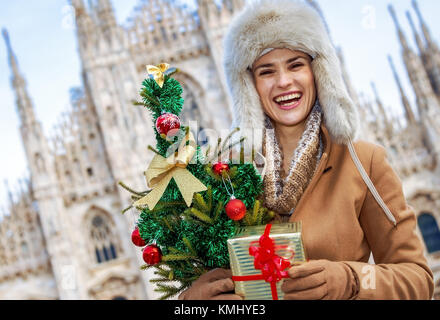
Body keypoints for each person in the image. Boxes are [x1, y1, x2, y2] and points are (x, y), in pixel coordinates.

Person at [179, 0, 434, 300]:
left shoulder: (363, 162)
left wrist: (349, 279)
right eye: (266, 71)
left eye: (296, 65)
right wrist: (190, 302)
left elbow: (416, 279)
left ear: (318, 71)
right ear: (249, 86)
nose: (284, 82)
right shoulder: (226, 177)